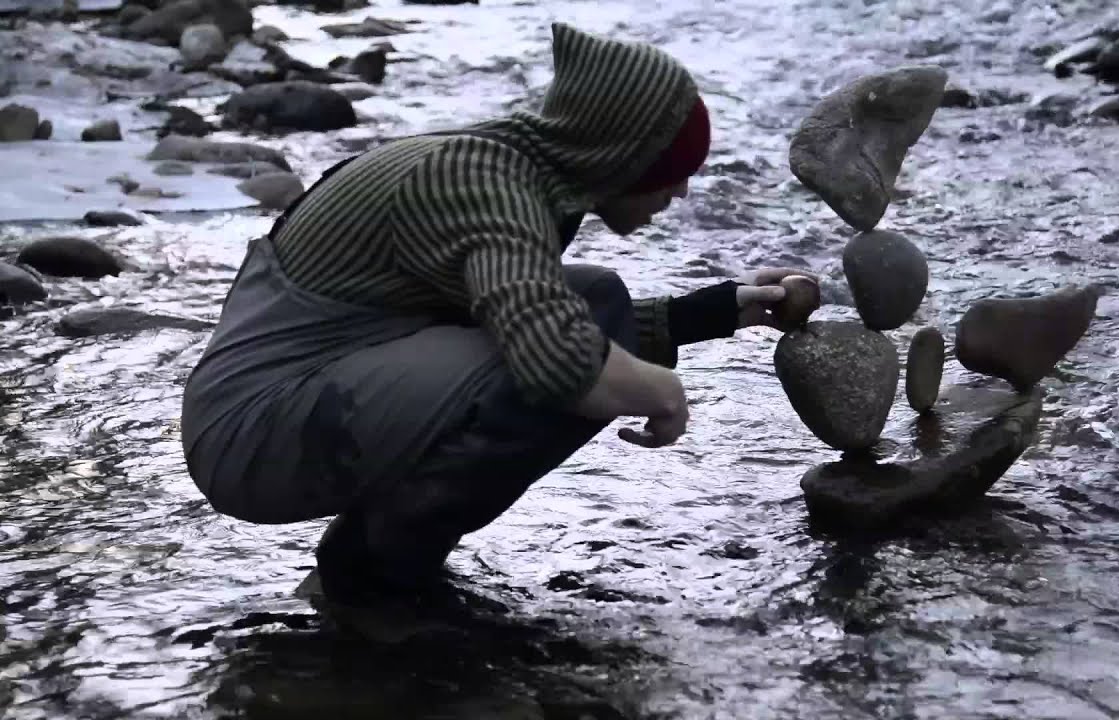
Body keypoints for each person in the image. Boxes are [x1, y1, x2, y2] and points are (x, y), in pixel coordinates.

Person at [180, 22, 818, 618]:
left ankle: (370, 566)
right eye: (671, 173)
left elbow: (543, 317)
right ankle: (372, 579)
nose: (678, 194)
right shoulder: (484, 186)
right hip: (253, 431)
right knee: (554, 366)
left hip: (306, 391)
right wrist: (664, 393)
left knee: (596, 295)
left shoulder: (509, 169)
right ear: (621, 156)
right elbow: (555, 359)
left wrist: (714, 311)